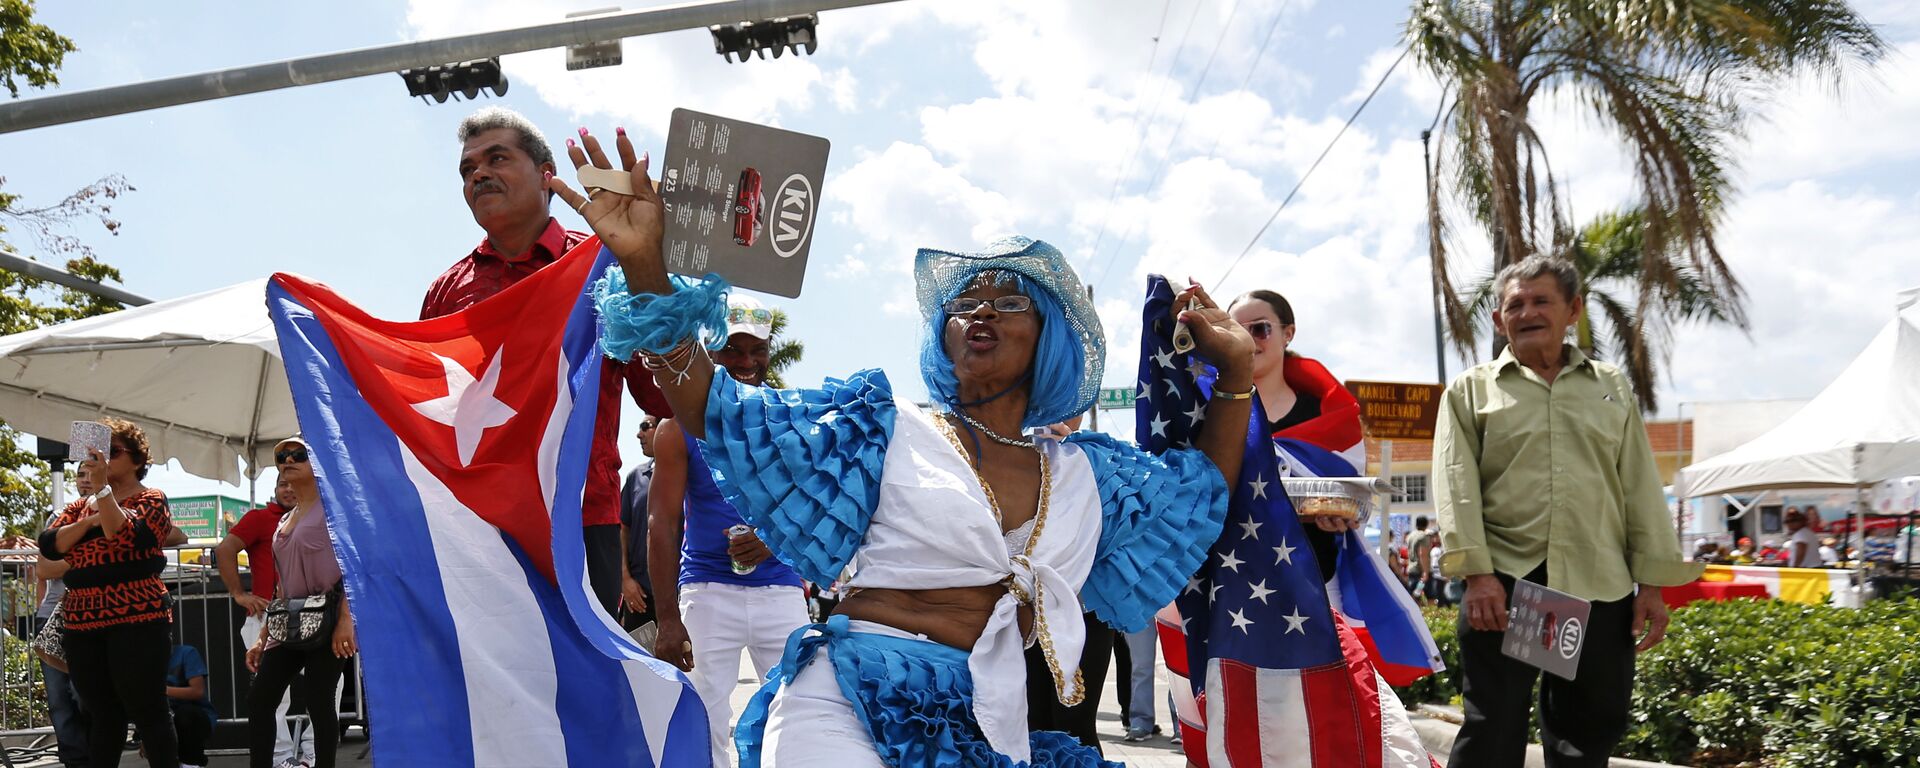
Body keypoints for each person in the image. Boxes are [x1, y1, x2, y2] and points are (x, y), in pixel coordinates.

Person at [550, 127, 1251, 765]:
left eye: (1008, 300)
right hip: (846, 700)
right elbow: (716, 411)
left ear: (1051, 339)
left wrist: (1237, 377)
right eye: (964, 303)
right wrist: (646, 267)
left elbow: (1198, 499)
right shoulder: (882, 430)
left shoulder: (1088, 478)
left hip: (986, 725)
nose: (980, 309)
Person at [1436, 255, 1702, 768]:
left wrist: (1651, 585)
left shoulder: (1610, 386)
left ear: (1573, 309)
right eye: (1515, 304)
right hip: (1510, 585)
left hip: (1597, 586)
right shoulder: (1471, 391)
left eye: (1542, 301)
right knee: (1494, 727)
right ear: (1498, 319)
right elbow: (1455, 485)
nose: (1528, 312)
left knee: (1586, 733)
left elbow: (1639, 485)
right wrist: (1479, 577)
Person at [421, 106, 668, 615]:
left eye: (496, 159)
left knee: (589, 684)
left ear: (547, 176)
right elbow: (426, 414)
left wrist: (647, 273)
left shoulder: (607, 267)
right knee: (493, 690)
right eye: (468, 170)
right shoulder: (446, 292)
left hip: (580, 514)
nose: (479, 175)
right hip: (479, 524)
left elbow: (661, 396)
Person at [647, 293, 811, 764]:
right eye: (734, 349)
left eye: (757, 350)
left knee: (796, 709)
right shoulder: (678, 430)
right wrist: (669, 618)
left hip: (780, 588)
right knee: (702, 718)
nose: (747, 361)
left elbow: (804, 508)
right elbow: (661, 525)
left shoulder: (786, 420)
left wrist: (773, 537)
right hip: (706, 591)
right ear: (711, 351)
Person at [37, 417, 179, 768]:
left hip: (138, 619)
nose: (100, 460)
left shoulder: (152, 499)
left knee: (148, 710)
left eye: (112, 452)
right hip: (83, 623)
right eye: (96, 453)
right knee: (101, 713)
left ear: (137, 460)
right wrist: (88, 522)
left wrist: (102, 497)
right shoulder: (78, 508)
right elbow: (50, 546)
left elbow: (125, 535)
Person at [245, 438, 356, 768]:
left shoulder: (336, 509)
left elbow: (355, 567)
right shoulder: (284, 520)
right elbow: (283, 585)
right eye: (282, 456)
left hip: (329, 619)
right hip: (289, 622)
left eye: (299, 455)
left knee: (319, 701)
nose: (288, 460)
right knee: (260, 699)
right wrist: (263, 636)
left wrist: (346, 620)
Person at [216, 479, 311, 767]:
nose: (289, 489)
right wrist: (239, 594)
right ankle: (280, 756)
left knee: (328, 687)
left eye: (294, 484)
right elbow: (224, 549)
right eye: (283, 484)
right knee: (272, 695)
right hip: (267, 619)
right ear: (275, 490)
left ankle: (313, 753)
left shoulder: (319, 516)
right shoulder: (259, 518)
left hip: (314, 617)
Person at [36, 473, 94, 768]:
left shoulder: (119, 510)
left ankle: (97, 754)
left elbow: (175, 535)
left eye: (91, 472)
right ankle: (75, 761)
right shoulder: (60, 516)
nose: (86, 479)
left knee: (87, 694)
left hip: (96, 615)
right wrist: (91, 558)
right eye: (80, 473)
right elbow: (44, 569)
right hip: (55, 616)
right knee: (59, 697)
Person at [619, 415, 659, 636]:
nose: (639, 434)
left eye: (645, 427)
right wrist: (625, 580)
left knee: (688, 669)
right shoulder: (636, 477)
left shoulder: (692, 476)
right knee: (639, 668)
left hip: (684, 596)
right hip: (640, 598)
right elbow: (622, 530)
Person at [165, 641, 217, 768]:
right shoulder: (148, 662)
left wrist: (161, 690)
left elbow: (197, 691)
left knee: (185, 715)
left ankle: (192, 764)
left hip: (194, 717)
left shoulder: (186, 653)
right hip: (165, 718)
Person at [1408, 516, 1438, 599]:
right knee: (1429, 597)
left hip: (1412, 569)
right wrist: (1425, 572)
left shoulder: (1410, 536)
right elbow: (1422, 554)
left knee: (1413, 597)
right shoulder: (1423, 536)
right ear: (1426, 524)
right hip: (1421, 571)